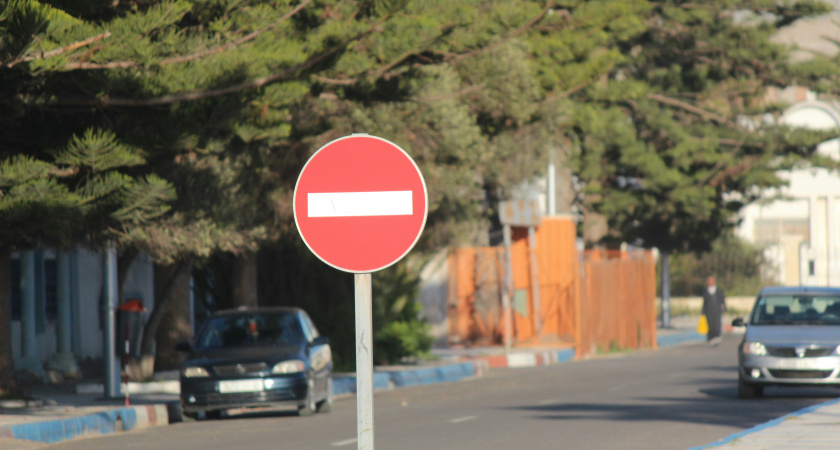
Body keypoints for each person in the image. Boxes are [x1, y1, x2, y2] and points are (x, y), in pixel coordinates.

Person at [702, 276, 726, 346]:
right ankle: (711, 337)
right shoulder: (706, 291)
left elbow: (722, 300)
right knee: (710, 325)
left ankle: (717, 336)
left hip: (717, 311)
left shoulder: (718, 290)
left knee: (717, 324)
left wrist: (724, 309)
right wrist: (703, 312)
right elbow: (704, 303)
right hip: (709, 312)